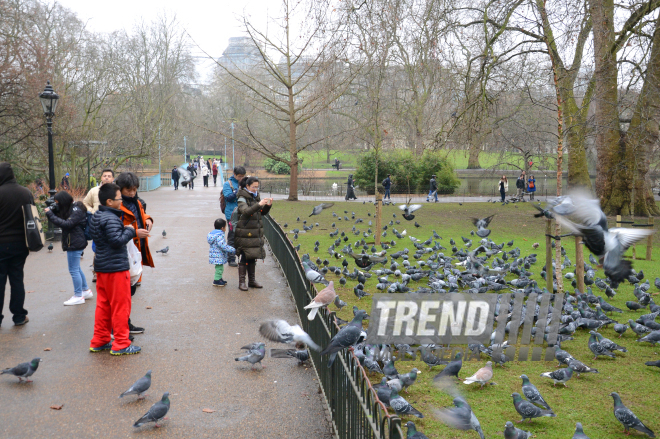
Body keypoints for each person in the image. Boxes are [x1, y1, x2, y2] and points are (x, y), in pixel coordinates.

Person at [88, 183, 140, 355]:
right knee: (120, 307)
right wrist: (130, 231)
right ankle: (121, 343)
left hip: (102, 267)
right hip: (116, 269)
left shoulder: (97, 216)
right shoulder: (111, 218)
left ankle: (100, 340)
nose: (121, 201)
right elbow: (117, 241)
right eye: (119, 198)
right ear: (109, 201)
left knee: (103, 305)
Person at [116, 172, 153, 335]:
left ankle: (125, 323)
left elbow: (141, 215)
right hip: (123, 252)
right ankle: (120, 327)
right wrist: (135, 232)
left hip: (135, 251)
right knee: (122, 295)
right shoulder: (116, 205)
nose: (132, 193)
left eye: (134, 189)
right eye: (128, 190)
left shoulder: (136, 202)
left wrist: (149, 219)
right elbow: (114, 229)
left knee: (130, 291)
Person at [0, 163, 34, 327]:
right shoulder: (25, 192)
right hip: (21, 244)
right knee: (17, 279)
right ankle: (19, 315)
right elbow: (32, 215)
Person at [45, 191, 91, 306]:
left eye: (58, 202)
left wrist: (50, 214)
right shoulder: (74, 208)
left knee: (73, 270)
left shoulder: (76, 210)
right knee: (77, 268)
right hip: (75, 241)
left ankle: (78, 296)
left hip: (74, 242)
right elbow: (64, 219)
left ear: (63, 201)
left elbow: (67, 224)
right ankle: (85, 291)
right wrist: (54, 211)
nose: (57, 204)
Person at [234, 176, 272, 291]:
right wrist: (259, 204)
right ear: (247, 186)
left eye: (257, 186)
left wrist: (267, 206)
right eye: (254, 187)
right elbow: (245, 212)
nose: (256, 189)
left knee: (252, 256)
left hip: (254, 230)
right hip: (245, 231)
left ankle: (251, 281)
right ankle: (242, 282)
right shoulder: (242, 197)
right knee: (245, 256)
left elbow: (260, 213)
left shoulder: (255, 196)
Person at [83, 169, 115, 283]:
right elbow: (85, 203)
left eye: (109, 176)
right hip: (98, 223)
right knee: (98, 249)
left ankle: (112, 272)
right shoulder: (94, 191)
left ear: (113, 179)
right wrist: (91, 211)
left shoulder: (117, 191)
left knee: (113, 247)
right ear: (101, 178)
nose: (106, 178)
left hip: (112, 223)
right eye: (104, 176)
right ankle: (96, 272)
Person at [223, 166, 246, 267]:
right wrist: (237, 192)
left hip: (243, 213)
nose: (241, 178)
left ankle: (243, 257)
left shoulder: (246, 182)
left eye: (243, 176)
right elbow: (228, 198)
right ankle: (231, 258)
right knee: (232, 236)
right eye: (239, 176)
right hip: (232, 214)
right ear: (235, 175)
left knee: (244, 236)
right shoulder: (228, 184)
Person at [208, 218, 235, 287]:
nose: (226, 228)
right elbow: (223, 245)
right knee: (219, 269)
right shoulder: (219, 235)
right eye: (225, 227)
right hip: (218, 255)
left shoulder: (213, 234)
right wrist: (232, 249)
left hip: (215, 255)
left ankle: (219, 279)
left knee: (219, 268)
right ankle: (216, 280)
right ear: (222, 228)